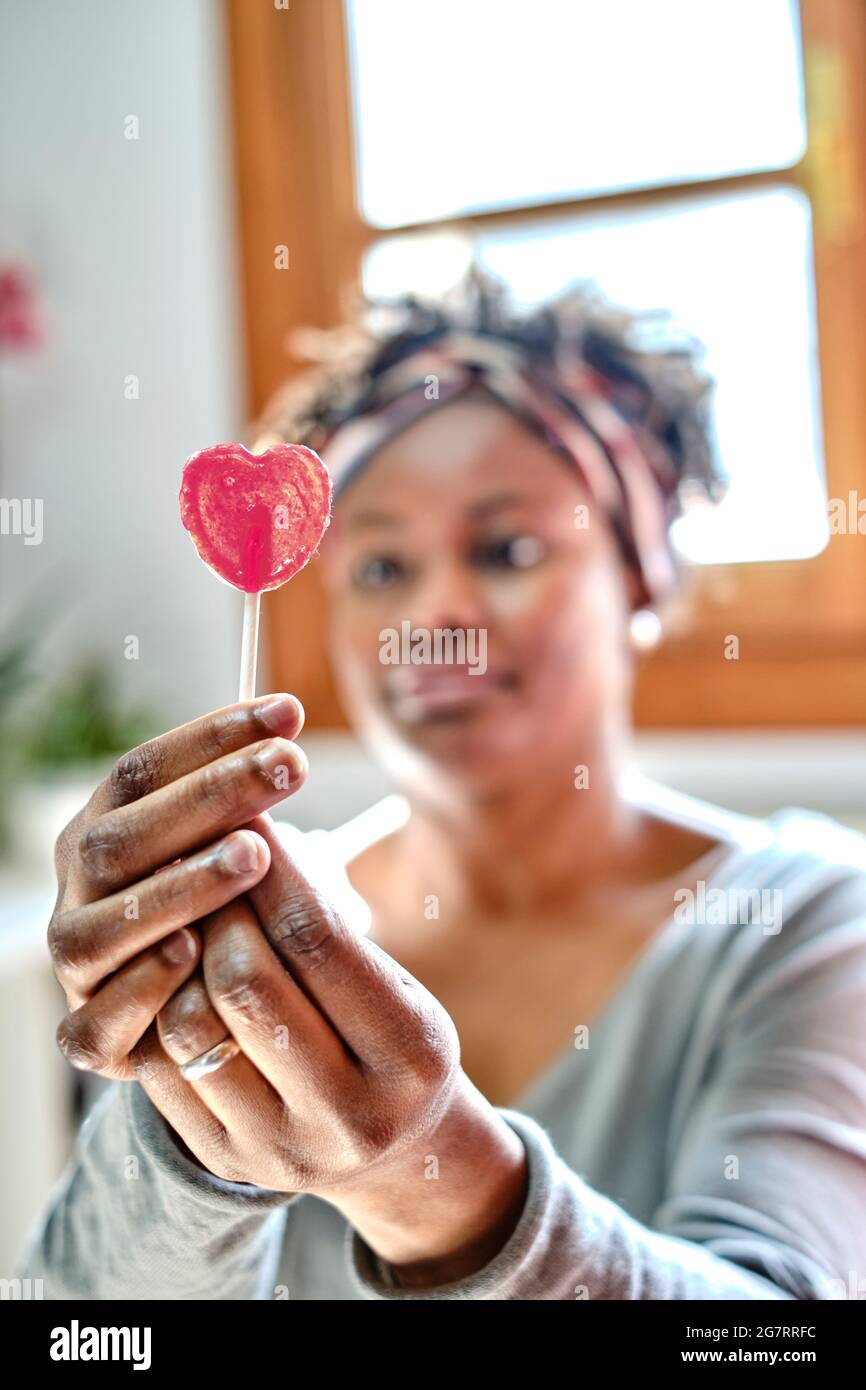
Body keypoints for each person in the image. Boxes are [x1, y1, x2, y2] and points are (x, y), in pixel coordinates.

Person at [18, 267, 866, 1300]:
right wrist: (187, 1142)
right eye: (380, 569)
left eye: (507, 548)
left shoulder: (810, 921)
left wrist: (431, 1176)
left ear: (640, 576)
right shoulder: (229, 926)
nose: (438, 614)